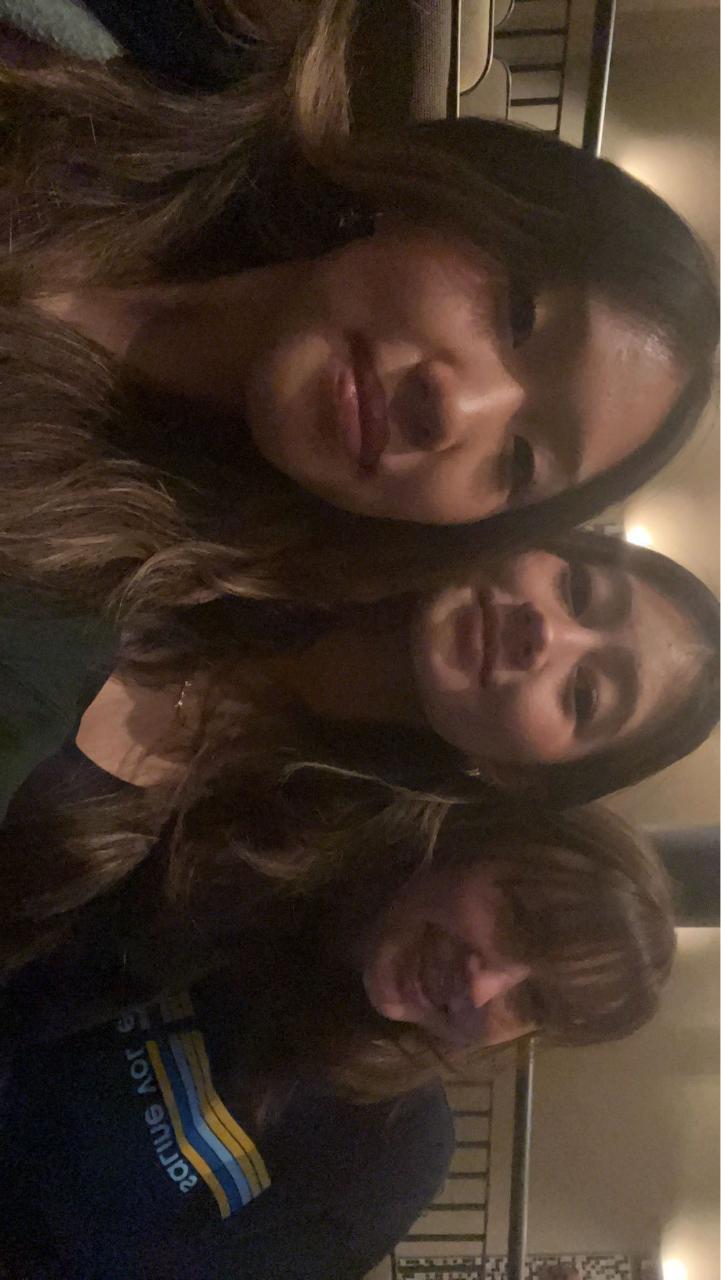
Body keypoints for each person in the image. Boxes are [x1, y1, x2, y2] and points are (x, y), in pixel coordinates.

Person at [0, 6, 717, 620]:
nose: (453, 410)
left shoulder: (72, 593)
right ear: (452, 199)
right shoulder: (185, 51)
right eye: (519, 316)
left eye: (521, 461)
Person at [0, 798, 675, 1278]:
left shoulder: (386, 1157)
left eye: (532, 1001)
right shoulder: (270, 820)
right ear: (483, 838)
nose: (480, 988)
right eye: (519, 918)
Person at [0, 526, 716, 974]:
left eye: (584, 695)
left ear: (522, 778)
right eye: (576, 589)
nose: (545, 631)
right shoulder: (224, 508)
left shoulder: (266, 886)